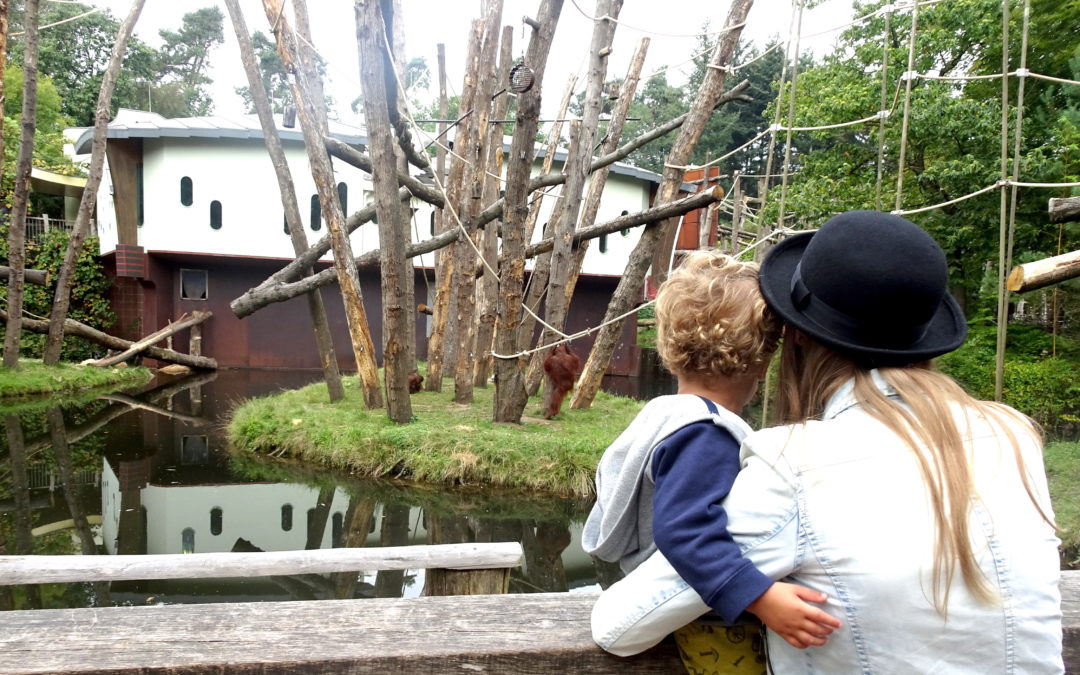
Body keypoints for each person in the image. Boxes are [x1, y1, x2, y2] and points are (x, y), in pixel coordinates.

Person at [590, 211, 1063, 673]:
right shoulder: (1014, 434)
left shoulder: (792, 462)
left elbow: (618, 627)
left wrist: (758, 593)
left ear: (793, 335)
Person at [582, 250, 841, 673]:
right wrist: (761, 597)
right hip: (704, 615)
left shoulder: (667, 414)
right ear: (764, 356)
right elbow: (684, 529)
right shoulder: (707, 434)